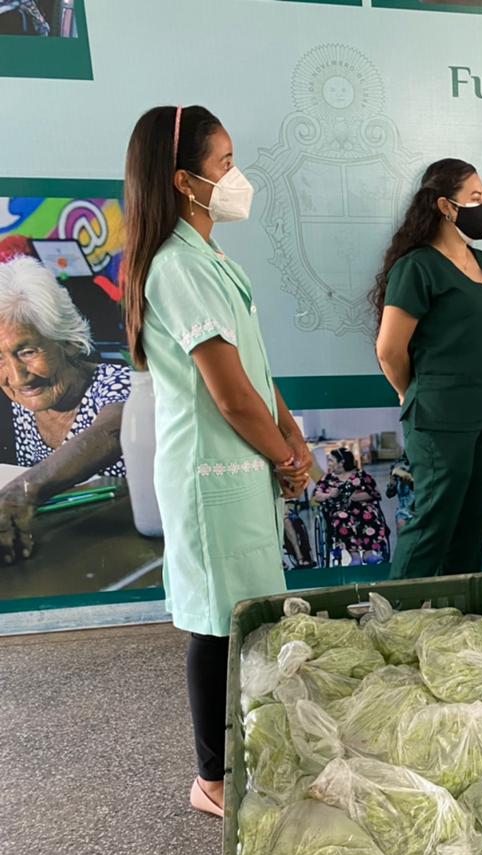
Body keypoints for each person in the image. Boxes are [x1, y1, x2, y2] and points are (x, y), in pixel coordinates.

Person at [122, 105, 310, 818]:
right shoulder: (176, 267)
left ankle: (246, 756)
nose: (237, 177)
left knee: (244, 615)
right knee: (218, 625)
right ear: (184, 180)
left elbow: (255, 371)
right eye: (225, 164)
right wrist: (285, 456)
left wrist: (290, 433)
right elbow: (229, 396)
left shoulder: (210, 259)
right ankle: (212, 779)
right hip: (212, 473)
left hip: (240, 465)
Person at [372, 158, 482, 579]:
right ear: (446, 206)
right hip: (439, 418)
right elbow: (389, 350)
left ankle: (462, 610)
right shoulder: (417, 267)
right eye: (475, 197)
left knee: (472, 526)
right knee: (433, 523)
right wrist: (411, 393)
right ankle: (397, 611)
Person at [0, 256, 130, 564]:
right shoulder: (12, 404)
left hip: (125, 553)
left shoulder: (119, 385)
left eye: (27, 351)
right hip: (58, 555)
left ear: (67, 340)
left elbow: (110, 433)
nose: (17, 377)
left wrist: (22, 492)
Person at [311, 447, 390, 565]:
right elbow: (317, 496)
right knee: (342, 518)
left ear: (341, 462)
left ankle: (368, 553)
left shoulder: (360, 475)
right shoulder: (327, 478)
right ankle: (354, 556)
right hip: (339, 509)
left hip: (361, 507)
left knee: (368, 515)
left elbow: (374, 493)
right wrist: (329, 495)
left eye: (331, 460)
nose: (329, 463)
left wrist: (356, 497)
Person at [384, 453, 414, 531]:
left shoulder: (421, 472)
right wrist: (392, 482)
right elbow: (389, 494)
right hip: (403, 512)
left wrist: (410, 482)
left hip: (418, 511)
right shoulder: (399, 471)